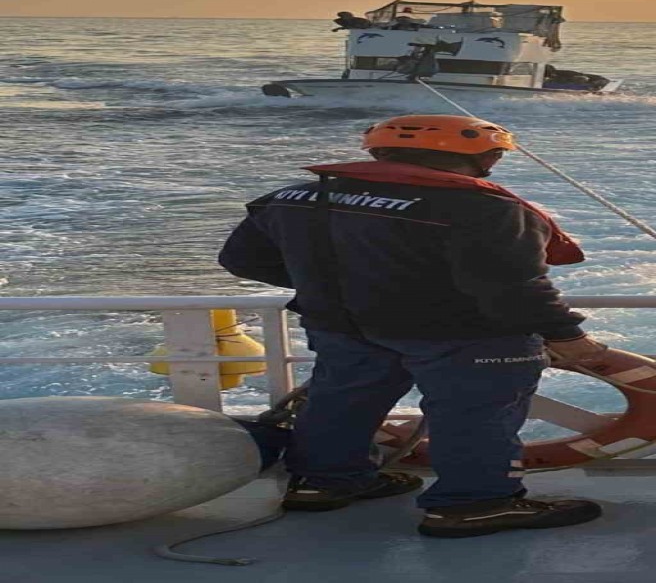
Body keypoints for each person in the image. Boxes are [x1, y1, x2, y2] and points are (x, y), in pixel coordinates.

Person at [218, 114, 608, 538]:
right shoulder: (484, 208)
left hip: (342, 325)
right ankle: (473, 504)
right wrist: (568, 336)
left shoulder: (289, 198)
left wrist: (345, 284)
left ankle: (323, 483)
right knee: (474, 414)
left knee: (341, 400)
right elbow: (511, 288)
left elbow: (241, 261)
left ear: (378, 152)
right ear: (484, 158)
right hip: (462, 335)